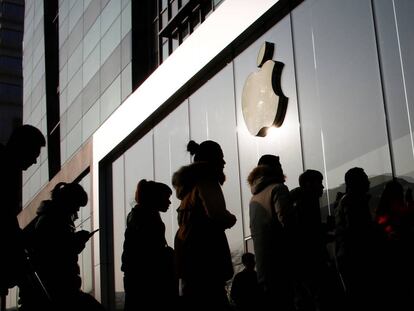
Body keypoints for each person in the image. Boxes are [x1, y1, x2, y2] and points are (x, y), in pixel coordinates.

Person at [173, 140, 236, 311]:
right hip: (208, 262)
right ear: (211, 160)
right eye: (220, 158)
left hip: (190, 264)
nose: (224, 162)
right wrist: (231, 218)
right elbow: (217, 214)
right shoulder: (207, 180)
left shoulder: (187, 192)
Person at [30, 182, 104, 311]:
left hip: (62, 291)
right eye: (76, 206)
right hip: (59, 292)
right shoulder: (51, 222)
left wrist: (75, 241)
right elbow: (55, 255)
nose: (77, 211)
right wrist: (76, 241)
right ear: (68, 202)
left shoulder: (51, 220)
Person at [0, 125, 45, 305]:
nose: (34, 161)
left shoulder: (8, 167)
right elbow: (4, 219)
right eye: (34, 154)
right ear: (23, 147)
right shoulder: (6, 169)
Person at [247, 154, 294, 310]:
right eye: (279, 165)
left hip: (264, 267)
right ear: (274, 169)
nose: (282, 168)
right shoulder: (278, 189)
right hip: (283, 263)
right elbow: (288, 223)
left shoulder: (253, 199)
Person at [121, 179, 176, 310]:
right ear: (155, 198)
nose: (169, 202)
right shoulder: (147, 218)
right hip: (147, 281)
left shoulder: (137, 215)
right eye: (166, 198)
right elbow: (151, 253)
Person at [334, 167, 383, 310]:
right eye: (364, 178)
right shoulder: (354, 202)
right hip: (356, 259)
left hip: (348, 258)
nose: (368, 181)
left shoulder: (346, 201)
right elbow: (359, 231)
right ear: (357, 182)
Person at [289, 170, 332, 311]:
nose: (322, 187)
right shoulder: (307, 201)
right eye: (319, 183)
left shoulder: (298, 201)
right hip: (312, 261)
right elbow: (311, 232)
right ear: (308, 184)